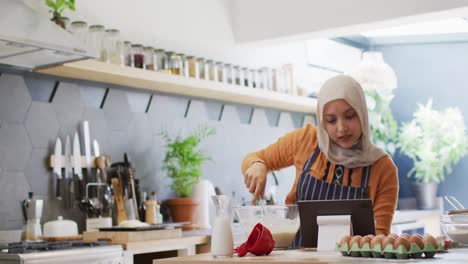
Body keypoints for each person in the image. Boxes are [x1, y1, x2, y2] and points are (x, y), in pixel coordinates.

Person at [241, 75, 398, 247]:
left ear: (362, 113)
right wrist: (258, 166)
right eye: (331, 120)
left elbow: (380, 238)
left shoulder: (382, 167)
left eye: (350, 116)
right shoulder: (305, 141)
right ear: (322, 121)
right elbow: (253, 158)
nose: (341, 128)